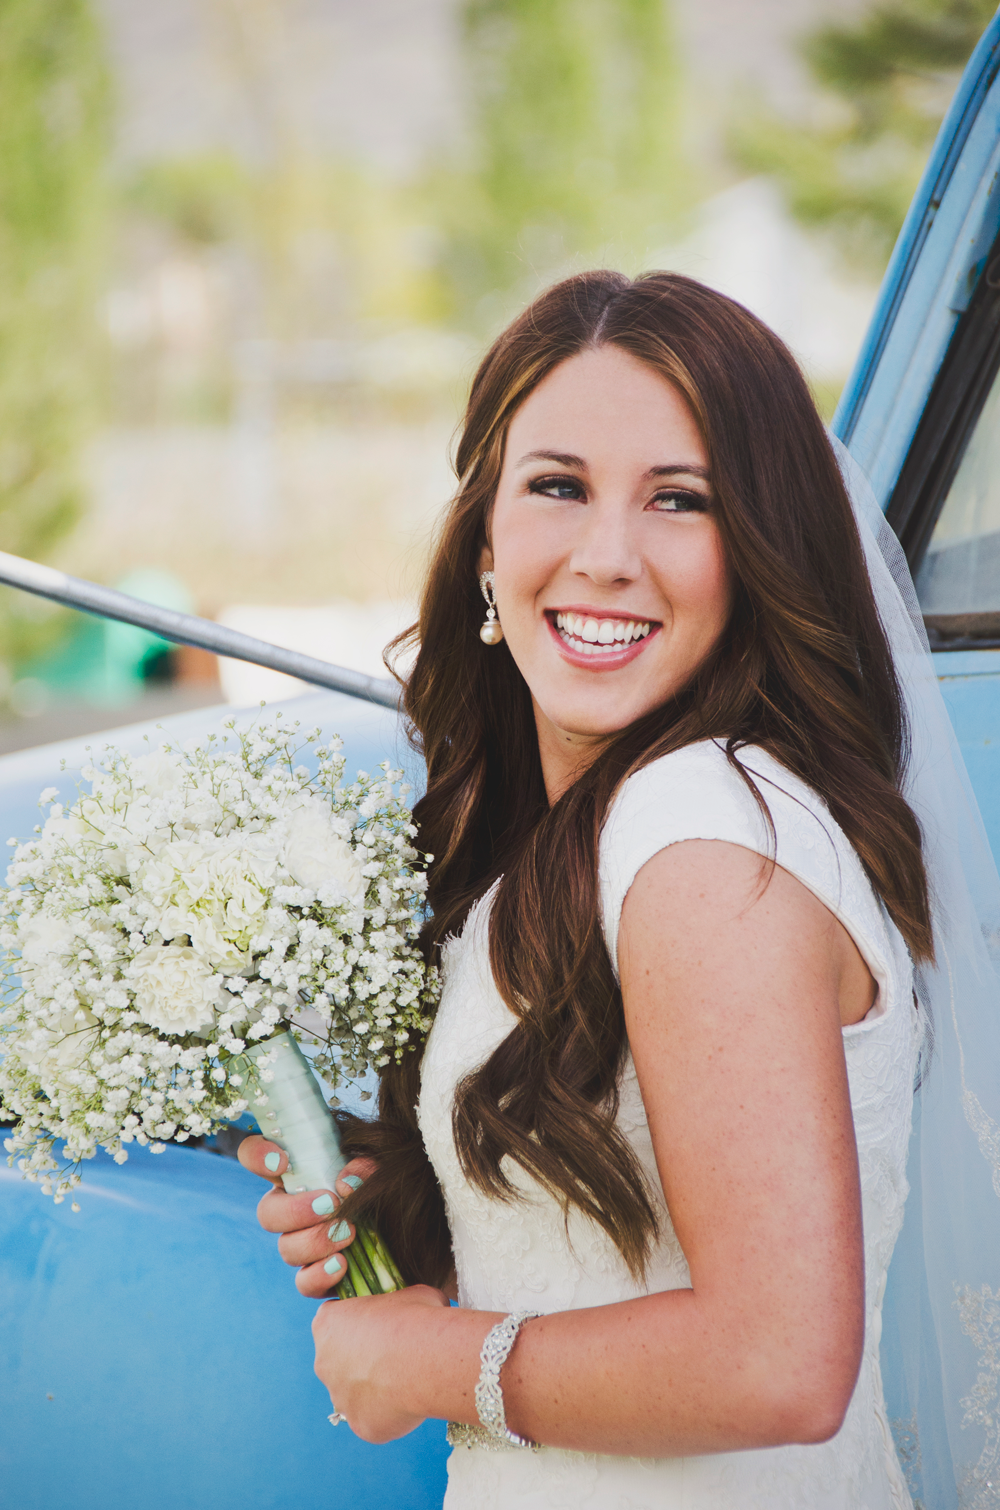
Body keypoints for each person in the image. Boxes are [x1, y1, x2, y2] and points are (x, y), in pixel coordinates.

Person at [239, 270, 945, 1508]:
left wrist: (423, 1361)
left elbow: (778, 1363)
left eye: (680, 499)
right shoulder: (595, 827)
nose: (608, 557)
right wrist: (409, 1206)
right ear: (485, 538)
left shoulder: (700, 839)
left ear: (759, 551)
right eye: (558, 486)